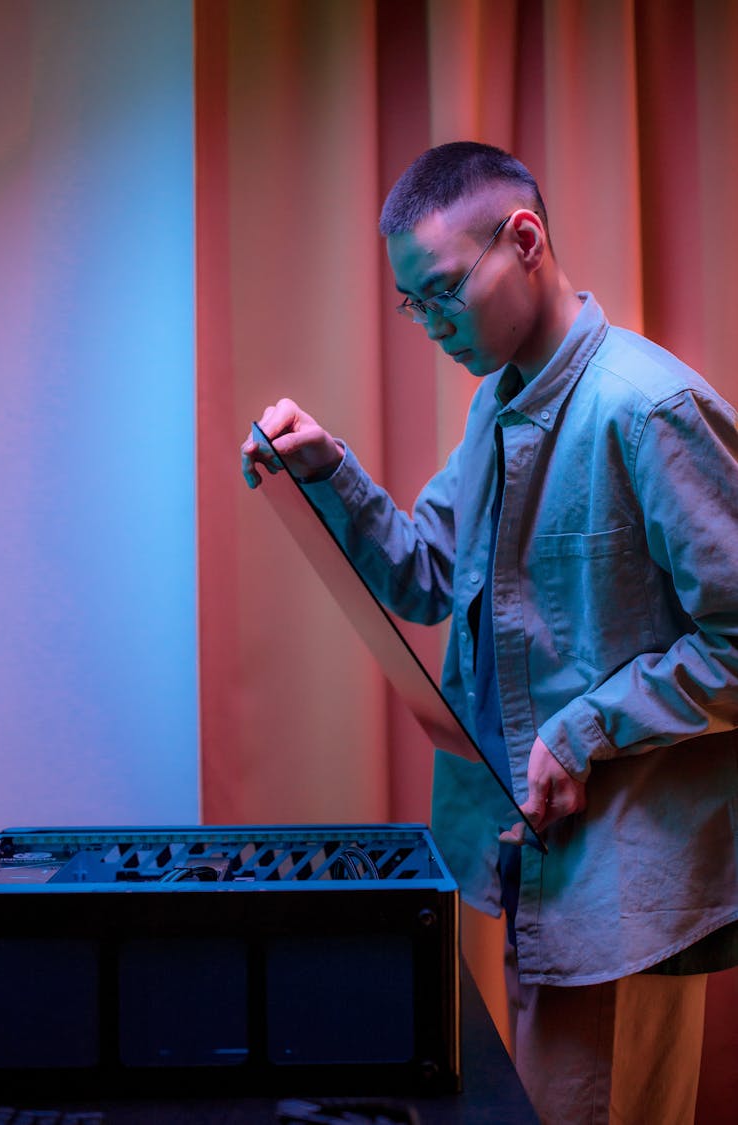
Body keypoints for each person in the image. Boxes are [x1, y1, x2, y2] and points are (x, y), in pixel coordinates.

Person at [241, 142, 738, 1124]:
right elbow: (427, 575)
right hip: (549, 868)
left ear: (526, 241)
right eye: (408, 306)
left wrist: (584, 727)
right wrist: (328, 469)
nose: (428, 326)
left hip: (630, 890)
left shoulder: (646, 408)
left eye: (442, 295)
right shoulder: (500, 403)